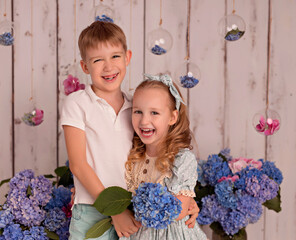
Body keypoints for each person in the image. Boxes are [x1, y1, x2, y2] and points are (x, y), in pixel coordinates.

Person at [61, 21, 199, 240]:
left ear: (127, 57)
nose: (108, 67)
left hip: (133, 213)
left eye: (115, 57)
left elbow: (152, 160)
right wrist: (114, 210)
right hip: (92, 210)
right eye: (98, 60)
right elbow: (78, 164)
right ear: (85, 67)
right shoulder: (77, 103)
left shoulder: (137, 107)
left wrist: (186, 201)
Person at [121, 74, 207, 239]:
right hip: (137, 232)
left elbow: (180, 209)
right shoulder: (133, 154)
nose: (144, 121)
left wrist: (144, 210)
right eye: (138, 111)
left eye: (154, 112)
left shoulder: (181, 159)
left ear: (172, 117)